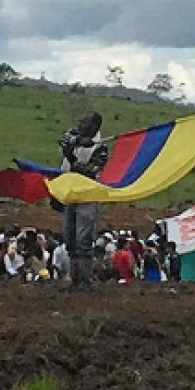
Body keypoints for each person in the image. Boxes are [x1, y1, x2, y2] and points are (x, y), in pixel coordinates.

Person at [57, 112, 109, 290]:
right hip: (71, 193)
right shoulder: (74, 137)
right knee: (69, 236)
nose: (80, 125)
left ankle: (85, 280)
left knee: (83, 239)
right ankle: (75, 279)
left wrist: (72, 157)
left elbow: (91, 173)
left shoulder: (100, 149)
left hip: (88, 195)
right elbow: (65, 140)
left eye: (85, 122)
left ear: (95, 126)